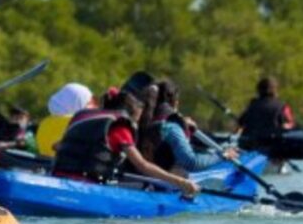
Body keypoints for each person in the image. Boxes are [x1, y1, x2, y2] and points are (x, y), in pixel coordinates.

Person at [52, 89, 199, 195]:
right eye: (137, 119)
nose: (136, 124)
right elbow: (143, 165)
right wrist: (181, 182)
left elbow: (57, 146)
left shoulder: (85, 117)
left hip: (58, 177)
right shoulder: (120, 128)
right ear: (129, 114)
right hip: (86, 186)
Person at [139, 78, 238, 173]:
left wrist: (183, 127)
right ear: (175, 103)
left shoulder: (141, 120)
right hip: (162, 181)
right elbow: (191, 163)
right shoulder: (171, 128)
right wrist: (221, 156)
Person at [237, 76, 296, 148]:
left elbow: (241, 122)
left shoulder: (252, 106)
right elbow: (290, 125)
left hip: (250, 145)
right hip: (272, 147)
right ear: (275, 90)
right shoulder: (282, 107)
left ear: (259, 90)